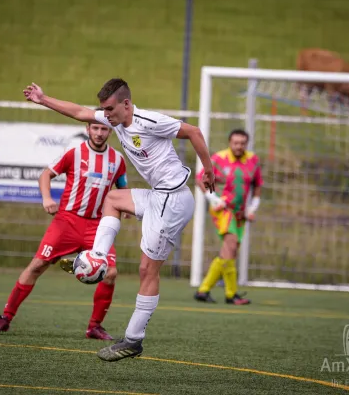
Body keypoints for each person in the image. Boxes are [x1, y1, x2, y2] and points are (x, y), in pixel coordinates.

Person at [22, 78, 215, 362]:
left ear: (126, 104)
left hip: (172, 201)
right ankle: (97, 257)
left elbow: (194, 131)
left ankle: (133, 340)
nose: (106, 115)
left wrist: (208, 170)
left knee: (147, 269)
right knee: (112, 199)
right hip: (157, 195)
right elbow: (78, 112)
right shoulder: (115, 119)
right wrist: (44, 99)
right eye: (103, 110)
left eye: (110, 109)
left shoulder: (149, 121)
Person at [0, 118, 128, 340]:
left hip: (98, 227)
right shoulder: (73, 152)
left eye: (104, 129)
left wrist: (126, 206)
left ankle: (94, 327)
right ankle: (5, 317)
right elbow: (46, 175)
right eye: (96, 128)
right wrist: (46, 199)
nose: (100, 133)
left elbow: (122, 188)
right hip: (67, 221)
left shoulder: (118, 160)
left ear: (110, 131)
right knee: (37, 265)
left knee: (110, 273)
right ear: (88, 129)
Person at [193, 129, 263, 305]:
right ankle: (231, 294)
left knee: (229, 252)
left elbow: (258, 186)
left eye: (242, 143)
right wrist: (213, 199)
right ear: (230, 143)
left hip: (241, 213)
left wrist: (252, 208)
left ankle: (204, 290)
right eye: (235, 143)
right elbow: (199, 178)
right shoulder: (218, 158)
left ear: (246, 144)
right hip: (223, 210)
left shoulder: (253, 160)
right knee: (230, 246)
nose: (239, 146)